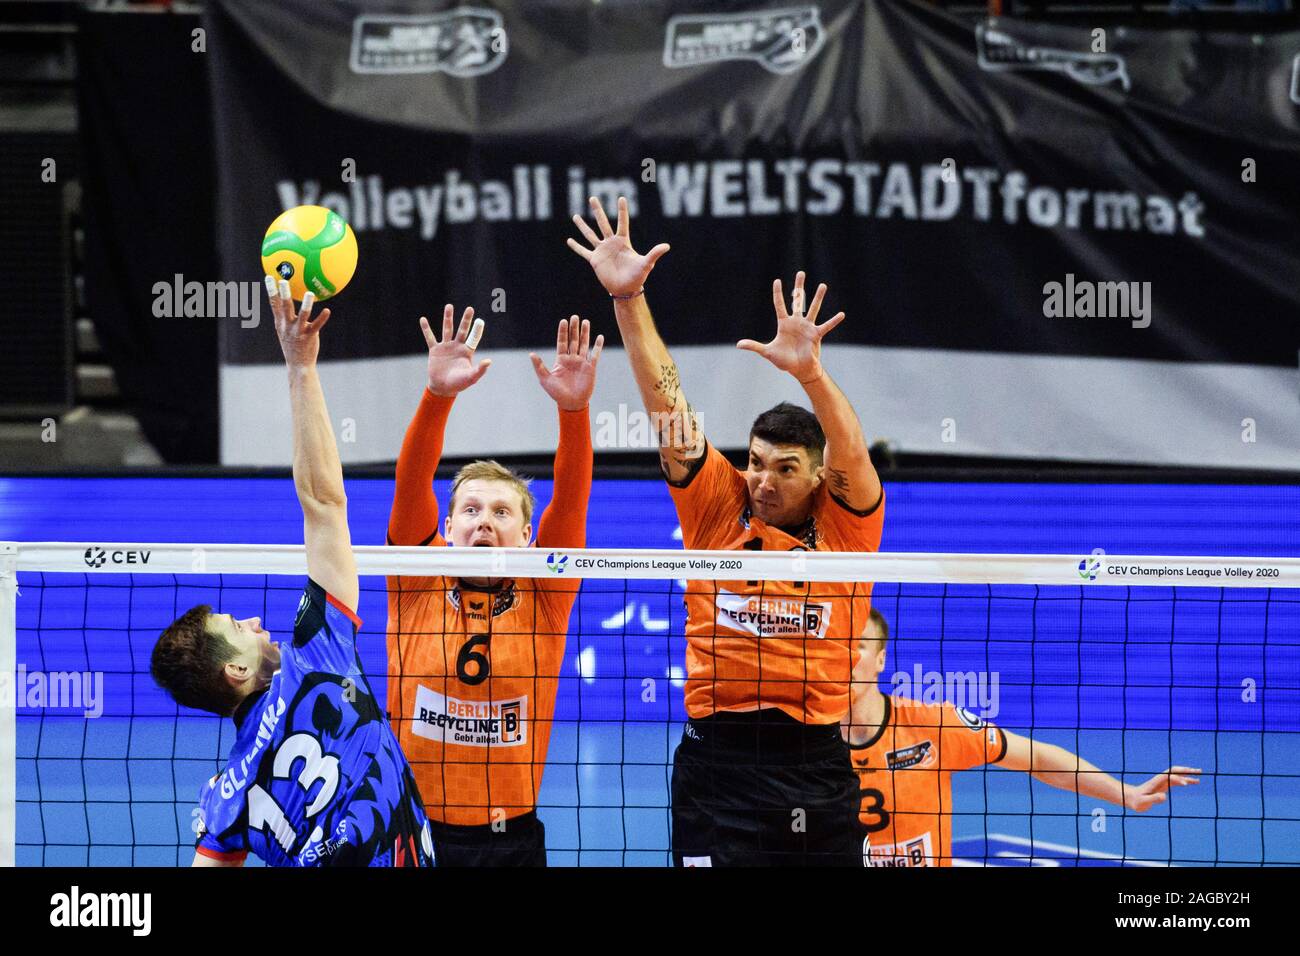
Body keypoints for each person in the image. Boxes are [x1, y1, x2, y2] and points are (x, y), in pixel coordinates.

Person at [569, 196, 884, 866]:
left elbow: (853, 454)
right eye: (756, 462)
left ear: (818, 478)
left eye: (786, 469)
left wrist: (811, 374)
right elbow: (669, 407)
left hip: (816, 766)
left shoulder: (848, 528)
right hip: (719, 768)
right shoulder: (719, 504)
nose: (764, 480)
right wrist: (629, 300)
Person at [151, 278, 433, 867]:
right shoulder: (317, 650)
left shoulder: (227, 796)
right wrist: (301, 367)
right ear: (234, 668)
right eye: (237, 625)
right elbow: (325, 504)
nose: (255, 621)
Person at [386, 306, 600, 866]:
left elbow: (571, 499)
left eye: (502, 511)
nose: (484, 520)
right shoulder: (416, 577)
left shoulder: (546, 593)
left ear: (528, 536)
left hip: (510, 844)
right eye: (471, 509)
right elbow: (411, 483)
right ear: (447, 526)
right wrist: (437, 395)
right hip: (411, 831)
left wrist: (573, 410)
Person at [843, 608, 1203, 866]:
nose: (846, 656)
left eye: (858, 645)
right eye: (837, 645)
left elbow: (1039, 759)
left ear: (880, 659)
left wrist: (1126, 793)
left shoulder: (930, 726)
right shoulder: (799, 736)